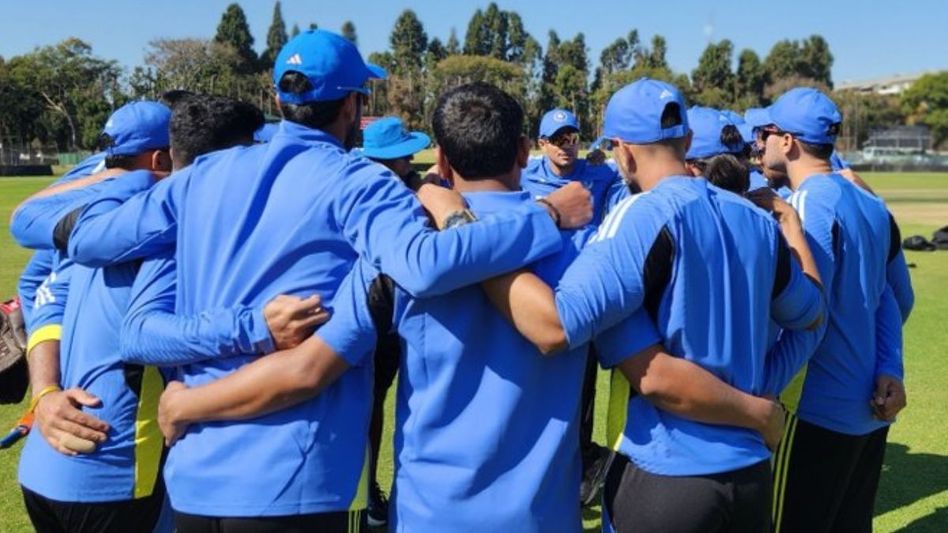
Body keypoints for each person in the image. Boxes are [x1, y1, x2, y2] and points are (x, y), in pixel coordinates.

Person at [61, 30, 591, 533]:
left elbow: (85, 239)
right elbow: (422, 264)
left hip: (195, 474)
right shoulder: (361, 181)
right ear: (354, 106)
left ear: (277, 98)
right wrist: (545, 215)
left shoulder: (203, 174)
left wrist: (122, 177)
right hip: (296, 475)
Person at [478, 78, 826, 532]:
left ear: (623, 151)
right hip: (751, 474)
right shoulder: (755, 220)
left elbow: (556, 326)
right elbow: (810, 315)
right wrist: (759, 397)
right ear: (686, 141)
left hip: (666, 473)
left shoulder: (639, 213)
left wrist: (469, 240)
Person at [16, 96, 250, 533]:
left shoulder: (87, 223)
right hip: (116, 468)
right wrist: (259, 327)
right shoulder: (166, 226)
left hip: (46, 467)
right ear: (163, 159)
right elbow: (145, 335)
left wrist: (45, 392)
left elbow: (39, 287)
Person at [757, 87, 914, 533]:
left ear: (787, 141)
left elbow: (808, 313)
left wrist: (764, 388)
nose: (760, 142)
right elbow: (890, 299)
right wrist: (891, 369)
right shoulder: (869, 201)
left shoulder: (805, 205)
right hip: (870, 409)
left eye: (766, 132)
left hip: (814, 411)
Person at [522, 108, 631, 504]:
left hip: (582, 303)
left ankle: (583, 469)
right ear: (542, 144)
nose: (567, 146)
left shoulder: (599, 174)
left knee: (581, 392)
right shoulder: (526, 178)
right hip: (536, 301)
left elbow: (627, 197)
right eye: (558, 139)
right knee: (536, 394)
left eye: (572, 138)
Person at [357, 114, 432, 527]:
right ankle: (370, 498)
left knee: (367, 406)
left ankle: (369, 495)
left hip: (362, 318)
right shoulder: (401, 196)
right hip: (382, 321)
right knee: (373, 407)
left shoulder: (353, 185)